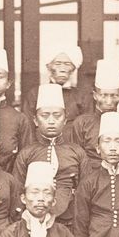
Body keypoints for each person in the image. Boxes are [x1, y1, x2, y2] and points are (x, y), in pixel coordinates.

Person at [11, 82, 86, 227]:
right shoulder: (27, 153)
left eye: (57, 116)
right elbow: (17, 190)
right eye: (45, 116)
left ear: (65, 120)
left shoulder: (77, 152)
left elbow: (86, 192)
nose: (51, 121)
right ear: (35, 120)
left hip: (70, 222)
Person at [63, 56, 119, 165]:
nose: (109, 101)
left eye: (114, 95)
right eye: (103, 95)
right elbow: (75, 157)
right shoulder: (82, 123)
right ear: (95, 95)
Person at [23, 44, 88, 120]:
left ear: (73, 69)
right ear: (49, 67)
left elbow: (87, 126)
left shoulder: (82, 96)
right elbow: (28, 126)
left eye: (67, 64)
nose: (62, 69)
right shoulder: (35, 94)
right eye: (58, 64)